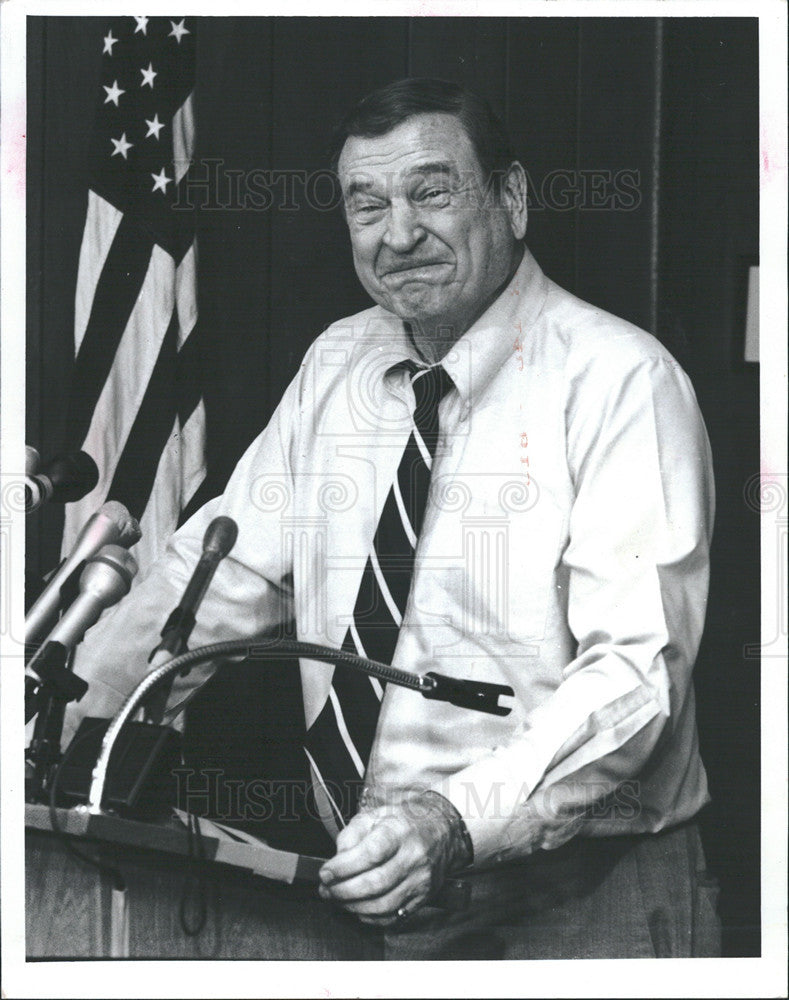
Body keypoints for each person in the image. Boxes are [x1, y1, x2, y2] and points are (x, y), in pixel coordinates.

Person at [61, 78, 720, 959]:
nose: (397, 234)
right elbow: (215, 579)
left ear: (513, 198)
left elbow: (636, 678)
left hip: (579, 900)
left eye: (431, 192)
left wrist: (453, 823)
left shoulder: (621, 383)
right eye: (365, 204)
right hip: (373, 898)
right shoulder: (340, 360)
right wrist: (59, 723)